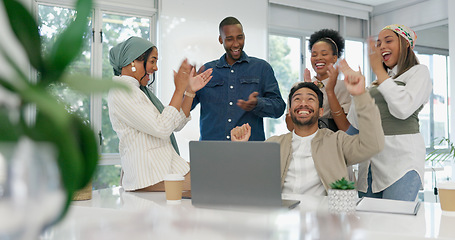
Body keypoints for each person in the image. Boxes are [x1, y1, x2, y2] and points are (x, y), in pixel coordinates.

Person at [231, 60, 384, 195]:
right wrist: (240, 148)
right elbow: (249, 179)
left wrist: (361, 96)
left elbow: (373, 145)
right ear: (290, 111)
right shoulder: (274, 144)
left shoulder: (337, 141)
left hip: (325, 219)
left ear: (321, 111)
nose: (303, 103)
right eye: (297, 99)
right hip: (283, 216)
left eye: (310, 99)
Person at [108, 36, 213, 192]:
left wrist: (189, 91)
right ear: (133, 62)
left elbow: (174, 123)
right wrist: (178, 90)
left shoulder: (138, 91)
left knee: (217, 175)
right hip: (150, 174)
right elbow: (162, 128)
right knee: (217, 180)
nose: (156, 68)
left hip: (163, 168)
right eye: (152, 61)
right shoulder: (123, 90)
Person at [349, 24, 432, 201]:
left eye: (388, 41)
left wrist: (379, 72)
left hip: (402, 163)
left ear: (405, 44)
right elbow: (358, 124)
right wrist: (358, 94)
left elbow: (403, 109)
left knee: (396, 224)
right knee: (369, 225)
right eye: (378, 44)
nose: (381, 47)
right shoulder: (375, 84)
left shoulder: (418, 72)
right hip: (370, 163)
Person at [191, 16, 285, 141]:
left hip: (250, 152)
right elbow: (184, 110)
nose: (236, 44)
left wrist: (258, 104)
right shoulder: (207, 71)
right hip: (212, 151)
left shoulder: (262, 68)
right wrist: (186, 88)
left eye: (239, 37)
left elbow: (279, 108)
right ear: (220, 39)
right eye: (229, 39)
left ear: (244, 36)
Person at [305, 29, 351, 132]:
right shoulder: (301, 86)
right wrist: (307, 92)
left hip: (334, 142)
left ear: (334, 58)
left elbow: (344, 127)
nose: (318, 58)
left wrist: (330, 91)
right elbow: (291, 127)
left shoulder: (344, 87)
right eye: (314, 55)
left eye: (324, 54)